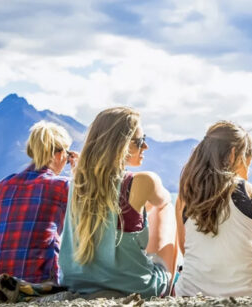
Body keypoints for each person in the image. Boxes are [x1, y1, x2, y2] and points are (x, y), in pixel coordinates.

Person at [59, 107, 176, 298]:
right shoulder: (143, 181)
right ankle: (169, 285)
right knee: (166, 207)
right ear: (120, 145)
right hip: (136, 287)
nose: (145, 147)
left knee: (135, 213)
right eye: (140, 141)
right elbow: (162, 202)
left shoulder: (76, 183)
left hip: (76, 285)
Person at [174, 121, 252, 296]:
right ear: (234, 154)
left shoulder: (186, 196)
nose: (249, 166)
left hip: (189, 295)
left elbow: (184, 248)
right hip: (247, 294)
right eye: (248, 158)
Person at [0, 121, 77, 290]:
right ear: (59, 155)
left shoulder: (5, 184)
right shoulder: (62, 186)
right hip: (39, 278)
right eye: (67, 157)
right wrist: (79, 171)